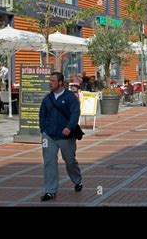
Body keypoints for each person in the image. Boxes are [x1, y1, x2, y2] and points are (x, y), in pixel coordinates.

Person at [39, 72, 83, 201]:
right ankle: (50, 191)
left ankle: (77, 180)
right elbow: (42, 114)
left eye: (53, 81)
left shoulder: (69, 97)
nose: (50, 83)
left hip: (66, 136)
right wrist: (43, 130)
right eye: (50, 80)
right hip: (49, 136)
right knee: (49, 162)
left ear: (60, 82)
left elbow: (75, 113)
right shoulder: (47, 98)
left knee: (69, 161)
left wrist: (69, 127)